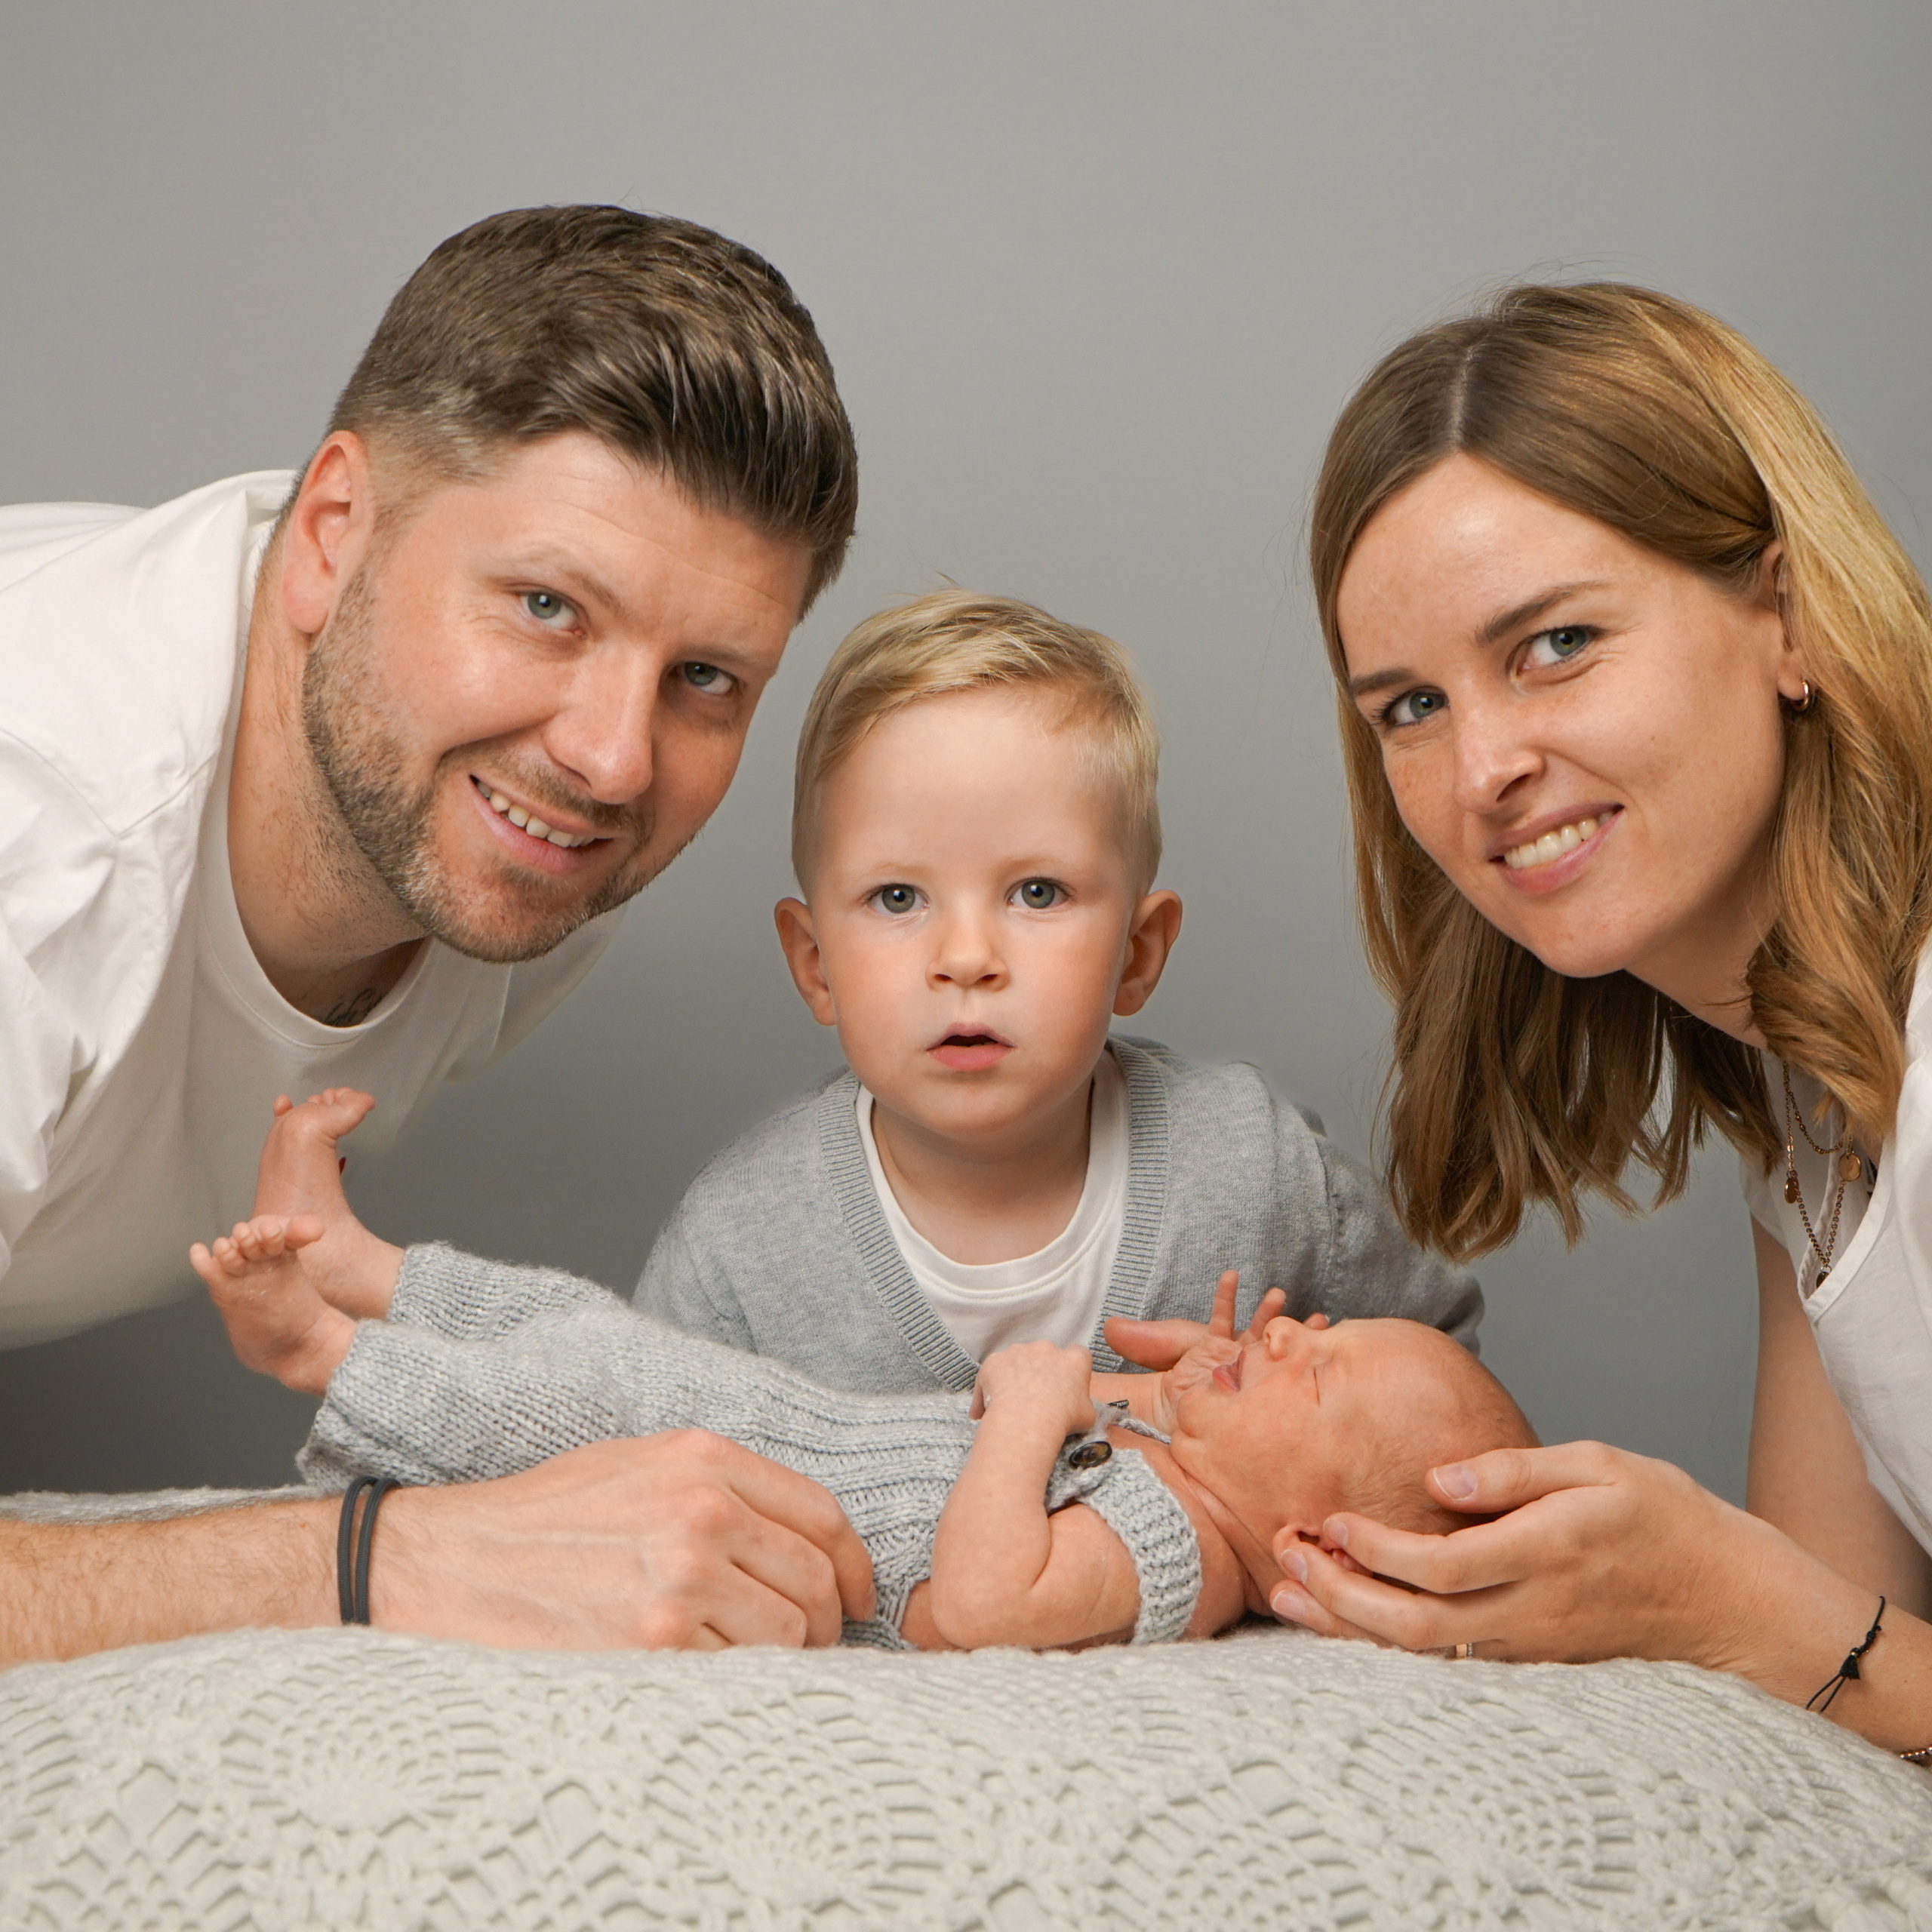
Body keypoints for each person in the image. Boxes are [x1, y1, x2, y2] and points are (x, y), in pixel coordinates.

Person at [0, 205, 877, 1664]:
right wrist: (379, 1558)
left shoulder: (512, 836)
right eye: (547, 606)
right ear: (332, 535)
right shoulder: (45, 835)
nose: (613, 759)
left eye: (708, 678)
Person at [1242, 281, 1932, 1757]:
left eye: (1553, 643)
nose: (1482, 762)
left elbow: (1806, 1632)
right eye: (1408, 707)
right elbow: (1848, 1717)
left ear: (1788, 616)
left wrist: (1724, 1595)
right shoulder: (1810, 1108)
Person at [188, 1145, 1536, 1652]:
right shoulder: (1193, 1463)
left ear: (1314, 1547)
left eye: (1327, 1376)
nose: (1298, 1331)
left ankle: (324, 1352)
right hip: (782, 1417)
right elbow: (1111, 1389)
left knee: (555, 1399)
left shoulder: (1177, 1556)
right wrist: (1198, 1376)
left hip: (766, 1485)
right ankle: (362, 1262)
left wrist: (1024, 1408)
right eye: (1327, 1326)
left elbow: (985, 1609)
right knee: (577, 1326)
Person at [629, 588, 1484, 1386]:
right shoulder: (740, 1249)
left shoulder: (1256, 1176)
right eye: (898, 898)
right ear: (815, 965)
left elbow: (1437, 1386)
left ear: (1138, 953)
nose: (966, 958)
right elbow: (645, 1500)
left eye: (1037, 892)